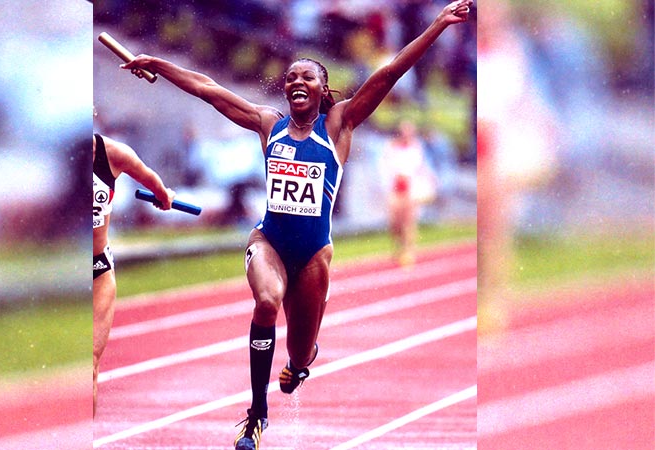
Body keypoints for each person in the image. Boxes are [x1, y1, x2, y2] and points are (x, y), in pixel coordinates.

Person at [121, 2, 471, 448]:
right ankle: (256, 416)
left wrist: (438, 26)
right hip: (268, 241)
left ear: (324, 90)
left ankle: (302, 361)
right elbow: (209, 90)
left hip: (313, 255)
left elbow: (387, 76)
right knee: (267, 302)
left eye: (306, 76)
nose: (295, 82)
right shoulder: (270, 125)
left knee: (300, 355)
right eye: (289, 78)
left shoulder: (340, 124)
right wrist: (157, 62)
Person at [93, 131, 175, 417]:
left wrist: (164, 196)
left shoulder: (113, 154)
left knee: (89, 364)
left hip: (97, 269)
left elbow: (152, 181)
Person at [384, 121, 437, 266]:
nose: (406, 135)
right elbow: (386, 167)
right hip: (395, 187)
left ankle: (408, 251)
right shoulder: (391, 147)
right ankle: (398, 246)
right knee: (395, 223)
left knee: (409, 221)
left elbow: (420, 167)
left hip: (410, 188)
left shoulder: (416, 148)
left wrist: (429, 179)